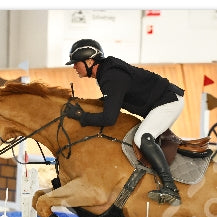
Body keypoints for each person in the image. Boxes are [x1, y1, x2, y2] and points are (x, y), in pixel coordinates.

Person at [63, 38, 184, 206]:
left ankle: (171, 189)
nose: (74, 67)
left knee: (142, 137)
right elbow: (110, 102)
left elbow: (109, 118)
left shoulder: (111, 76)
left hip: (169, 102)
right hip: (162, 101)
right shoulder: (106, 72)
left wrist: (81, 117)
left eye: (76, 63)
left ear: (90, 61)